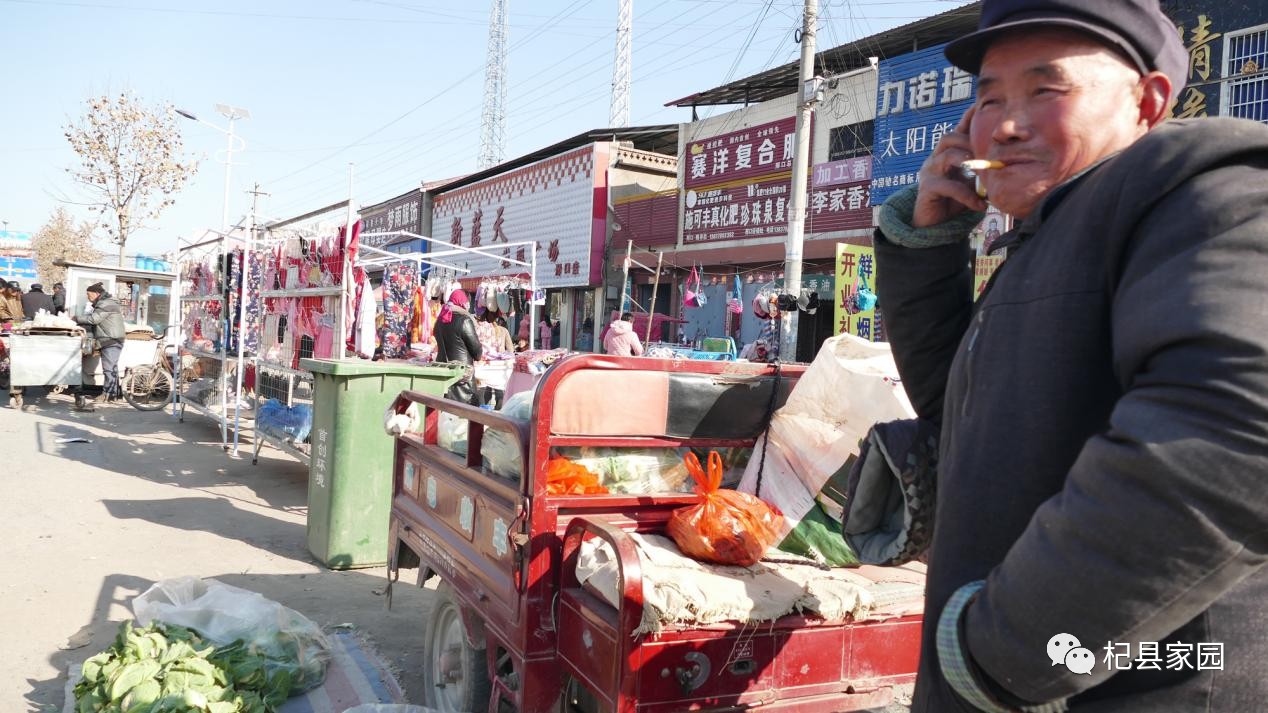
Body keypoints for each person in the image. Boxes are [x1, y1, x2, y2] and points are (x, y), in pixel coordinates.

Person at [870, 1, 1268, 710]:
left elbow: (1234, 429)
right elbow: (968, 415)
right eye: (988, 97)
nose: (1006, 123)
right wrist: (929, 246)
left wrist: (1007, 652)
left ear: (1147, 102)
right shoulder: (1042, 235)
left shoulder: (1197, 179)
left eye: (1045, 90)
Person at [73, 282, 125, 411]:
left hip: (111, 339)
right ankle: (111, 394)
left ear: (96, 294)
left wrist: (76, 318)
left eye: (88, 294)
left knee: (109, 368)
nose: (87, 297)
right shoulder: (105, 302)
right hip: (109, 339)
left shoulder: (106, 303)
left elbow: (94, 319)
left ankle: (109, 394)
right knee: (111, 368)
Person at [432, 288, 483, 405]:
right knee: (465, 417)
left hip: (444, 375)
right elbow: (477, 353)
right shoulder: (464, 320)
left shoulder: (440, 321)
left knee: (446, 415)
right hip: (462, 379)